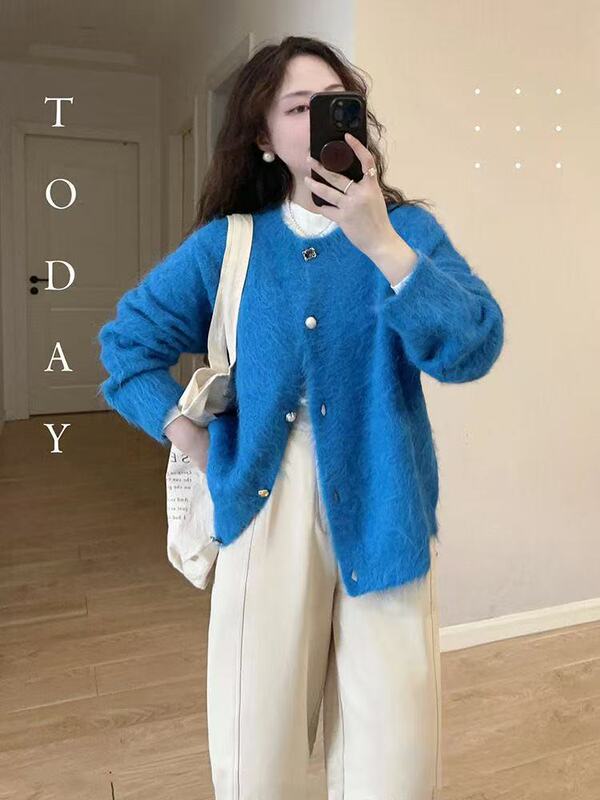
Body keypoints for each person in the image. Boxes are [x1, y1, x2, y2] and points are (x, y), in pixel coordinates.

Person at [97, 34, 504, 800]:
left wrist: (381, 243)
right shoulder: (231, 245)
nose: (322, 121)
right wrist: (196, 443)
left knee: (396, 767)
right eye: (298, 108)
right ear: (263, 137)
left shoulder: (406, 234)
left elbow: (472, 347)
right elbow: (127, 349)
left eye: (336, 104)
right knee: (259, 763)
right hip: (265, 507)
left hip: (386, 509)